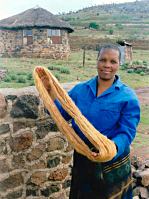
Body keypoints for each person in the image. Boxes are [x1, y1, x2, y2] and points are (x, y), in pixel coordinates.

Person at [36, 44, 140, 199]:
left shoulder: (127, 97)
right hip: (84, 157)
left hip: (112, 161)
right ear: (97, 61)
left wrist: (110, 149)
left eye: (113, 61)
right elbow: (62, 115)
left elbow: (127, 132)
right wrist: (50, 91)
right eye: (103, 60)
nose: (107, 65)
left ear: (119, 64)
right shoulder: (80, 90)